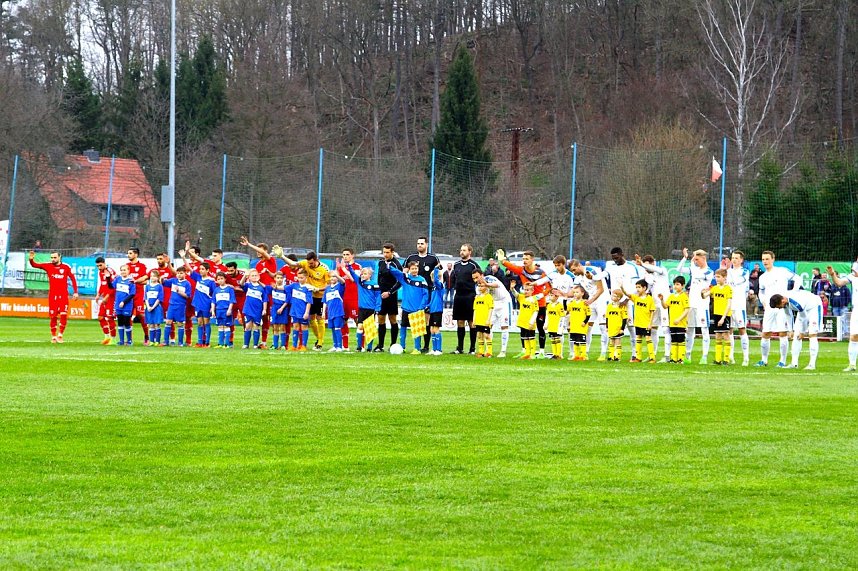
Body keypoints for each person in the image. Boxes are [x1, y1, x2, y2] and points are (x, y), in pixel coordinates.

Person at [500, 249, 550, 356]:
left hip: (539, 304)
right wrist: (503, 261)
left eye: (526, 259)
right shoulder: (522, 270)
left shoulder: (541, 273)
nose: (524, 261)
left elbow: (549, 287)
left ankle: (541, 352)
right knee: (523, 327)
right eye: (523, 259)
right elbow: (512, 266)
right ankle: (524, 351)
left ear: (532, 260)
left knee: (540, 327)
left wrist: (540, 296)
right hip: (526, 304)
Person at [279, 250, 330, 350]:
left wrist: (318, 289)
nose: (309, 265)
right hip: (310, 295)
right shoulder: (305, 263)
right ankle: (318, 338)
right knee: (311, 319)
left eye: (311, 263)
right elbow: (293, 263)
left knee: (320, 319)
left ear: (316, 260)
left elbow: (328, 285)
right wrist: (282, 256)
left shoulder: (324, 269)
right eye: (308, 263)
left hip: (320, 296)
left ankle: (320, 341)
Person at [756, 251, 799, 367]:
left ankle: (782, 361)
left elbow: (798, 279)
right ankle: (764, 360)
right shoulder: (763, 277)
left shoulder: (782, 271)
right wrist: (763, 301)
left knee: (782, 333)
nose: (765, 261)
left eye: (767, 259)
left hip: (782, 307)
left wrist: (792, 293)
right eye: (763, 259)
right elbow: (761, 291)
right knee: (765, 333)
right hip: (770, 308)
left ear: (773, 259)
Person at [28, 250, 79, 343]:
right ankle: (54, 336)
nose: (53, 259)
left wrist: (75, 292)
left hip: (63, 295)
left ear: (59, 257)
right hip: (52, 296)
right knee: (53, 316)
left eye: (55, 257)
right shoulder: (48, 266)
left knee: (63, 314)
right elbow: (35, 265)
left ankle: (60, 335)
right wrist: (31, 259)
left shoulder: (66, 267)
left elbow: (73, 279)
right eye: (51, 257)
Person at [676, 248, 714, 364]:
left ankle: (704, 356)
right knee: (690, 330)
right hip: (691, 304)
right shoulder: (694, 269)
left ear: (703, 258)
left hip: (702, 305)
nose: (696, 261)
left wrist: (692, 263)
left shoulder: (709, 271)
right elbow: (679, 269)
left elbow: (699, 276)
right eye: (695, 259)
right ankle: (687, 356)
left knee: (704, 330)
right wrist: (686, 258)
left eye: (698, 259)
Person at [604, 247, 643, 359]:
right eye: (613, 258)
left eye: (616, 257)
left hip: (628, 302)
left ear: (622, 254)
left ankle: (635, 354)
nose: (615, 260)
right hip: (615, 303)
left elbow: (637, 286)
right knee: (613, 331)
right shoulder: (611, 267)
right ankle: (613, 355)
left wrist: (627, 299)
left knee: (631, 328)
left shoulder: (631, 267)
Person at [769, 290, 823, 370]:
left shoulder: (796, 302)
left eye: (779, 306)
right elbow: (788, 314)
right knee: (796, 336)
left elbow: (804, 318)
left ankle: (812, 364)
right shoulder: (785, 301)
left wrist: (803, 332)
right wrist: (791, 330)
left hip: (814, 306)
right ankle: (794, 363)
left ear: (782, 301)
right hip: (802, 310)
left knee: (812, 334)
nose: (779, 308)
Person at [239, 236, 276, 348]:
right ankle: (252, 342)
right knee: (258, 318)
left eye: (259, 250)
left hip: (268, 292)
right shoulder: (258, 264)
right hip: (259, 291)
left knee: (267, 317)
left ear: (265, 251)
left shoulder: (271, 260)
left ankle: (264, 342)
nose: (257, 252)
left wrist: (249, 245)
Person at [405, 237, 441, 352]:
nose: (419, 245)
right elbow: (404, 272)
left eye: (422, 243)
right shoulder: (411, 258)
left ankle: (426, 346)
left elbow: (439, 270)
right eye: (418, 243)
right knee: (417, 320)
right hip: (414, 293)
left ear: (426, 245)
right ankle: (417, 346)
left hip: (428, 292)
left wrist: (435, 275)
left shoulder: (433, 258)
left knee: (426, 319)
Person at [635, 254, 671, 362]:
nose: (646, 268)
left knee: (665, 329)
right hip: (654, 305)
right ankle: (653, 355)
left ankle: (667, 356)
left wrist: (642, 264)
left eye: (647, 266)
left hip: (664, 303)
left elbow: (653, 269)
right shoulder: (648, 276)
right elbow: (645, 290)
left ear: (652, 263)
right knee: (653, 330)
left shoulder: (662, 270)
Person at [389, 261, 431, 354]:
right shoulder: (405, 278)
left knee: (417, 330)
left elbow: (425, 295)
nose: (414, 270)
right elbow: (396, 273)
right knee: (403, 327)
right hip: (406, 308)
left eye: (416, 268)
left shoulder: (422, 280)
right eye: (412, 269)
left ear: (418, 269)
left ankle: (417, 348)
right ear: (409, 269)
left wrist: (421, 307)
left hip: (417, 309)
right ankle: (402, 347)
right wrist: (389, 266)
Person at [568, 259, 606, 359]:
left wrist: (591, 300)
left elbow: (601, 289)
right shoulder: (578, 277)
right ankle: (585, 353)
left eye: (574, 269)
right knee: (587, 327)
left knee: (603, 327)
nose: (574, 272)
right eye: (572, 271)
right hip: (591, 301)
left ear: (579, 265)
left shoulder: (591, 270)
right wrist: (563, 294)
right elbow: (574, 292)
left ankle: (603, 353)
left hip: (601, 300)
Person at [448, 243, 481, 354]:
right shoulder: (456, 264)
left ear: (469, 252)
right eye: (461, 250)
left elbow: (480, 279)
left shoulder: (474, 265)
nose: (462, 252)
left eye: (464, 250)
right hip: (459, 296)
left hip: (470, 296)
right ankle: (460, 348)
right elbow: (453, 279)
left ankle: (472, 349)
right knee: (460, 322)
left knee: (472, 322)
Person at [473, 267, 513, 357]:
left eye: (477, 277)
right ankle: (488, 350)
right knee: (488, 325)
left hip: (504, 302)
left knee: (504, 326)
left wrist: (486, 284)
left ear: (482, 275)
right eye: (474, 278)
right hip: (493, 304)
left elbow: (496, 285)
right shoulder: (478, 287)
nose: (475, 280)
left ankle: (503, 351)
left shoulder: (489, 278)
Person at [343, 263, 382, 352]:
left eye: (365, 274)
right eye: (362, 273)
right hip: (361, 309)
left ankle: (369, 347)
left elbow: (378, 297)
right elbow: (352, 274)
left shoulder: (375, 285)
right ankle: (359, 347)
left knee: (369, 329)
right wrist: (349, 267)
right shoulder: (360, 282)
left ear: (370, 275)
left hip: (371, 310)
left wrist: (377, 308)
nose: (363, 275)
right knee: (360, 326)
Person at [827, 263, 858, 371]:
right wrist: (832, 274)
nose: (854, 271)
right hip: (856, 310)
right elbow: (839, 282)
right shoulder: (852, 277)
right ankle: (852, 365)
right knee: (854, 336)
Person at [373, 242, 403, 352]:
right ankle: (380, 345)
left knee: (392, 319)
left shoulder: (396, 264)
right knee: (380, 318)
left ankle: (393, 344)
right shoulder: (381, 263)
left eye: (387, 252)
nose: (385, 254)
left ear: (392, 253)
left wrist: (390, 292)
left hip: (391, 296)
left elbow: (400, 281)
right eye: (384, 252)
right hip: (381, 295)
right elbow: (379, 278)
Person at [622, 278, 657, 363]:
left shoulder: (650, 299)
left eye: (639, 287)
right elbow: (627, 294)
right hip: (638, 323)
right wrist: (622, 287)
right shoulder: (636, 297)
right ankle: (638, 357)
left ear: (644, 288)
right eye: (636, 287)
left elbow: (652, 311)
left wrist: (650, 323)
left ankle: (652, 357)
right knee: (638, 338)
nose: (637, 289)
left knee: (648, 339)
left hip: (646, 323)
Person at [703, 269, 732, 365]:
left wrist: (723, 317)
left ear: (724, 278)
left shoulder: (728, 289)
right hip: (716, 314)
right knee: (718, 336)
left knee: (726, 335)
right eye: (716, 277)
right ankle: (718, 359)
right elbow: (704, 296)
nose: (717, 279)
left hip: (725, 315)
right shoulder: (714, 288)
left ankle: (726, 359)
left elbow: (729, 304)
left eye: (719, 277)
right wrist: (703, 291)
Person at [726, 250, 751, 366]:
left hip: (739, 305)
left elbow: (737, 282)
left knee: (741, 329)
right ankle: (731, 356)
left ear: (741, 260)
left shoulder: (745, 272)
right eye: (733, 258)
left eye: (736, 258)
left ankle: (746, 357)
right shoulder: (728, 271)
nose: (734, 260)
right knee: (729, 330)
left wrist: (728, 275)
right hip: (729, 306)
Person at [659, 276, 690, 364]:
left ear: (683, 286)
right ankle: (674, 358)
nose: (675, 286)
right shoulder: (671, 296)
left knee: (680, 340)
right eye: (674, 284)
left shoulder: (684, 296)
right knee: (674, 340)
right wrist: (662, 300)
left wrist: (679, 319)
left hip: (680, 323)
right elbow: (665, 306)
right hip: (672, 323)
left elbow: (687, 309)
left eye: (678, 284)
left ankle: (681, 359)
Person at [186, 259, 216, 347]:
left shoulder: (211, 281)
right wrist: (184, 257)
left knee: (206, 322)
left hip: (206, 304)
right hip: (198, 304)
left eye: (203, 269)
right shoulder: (198, 278)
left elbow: (214, 294)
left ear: (207, 270)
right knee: (199, 322)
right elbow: (189, 269)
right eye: (200, 269)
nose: (201, 270)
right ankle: (200, 342)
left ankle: (207, 342)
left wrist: (212, 306)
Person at [337, 248, 362, 351]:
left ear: (352, 255)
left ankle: (361, 346)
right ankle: (345, 346)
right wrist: (337, 272)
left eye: (347, 254)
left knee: (358, 321)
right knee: (343, 320)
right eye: (344, 255)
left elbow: (353, 279)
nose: (345, 256)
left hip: (354, 297)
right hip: (344, 298)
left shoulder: (357, 267)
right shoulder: (341, 268)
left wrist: (343, 269)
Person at [161, 266, 192, 346]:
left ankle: (180, 342)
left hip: (180, 305)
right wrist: (161, 278)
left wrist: (179, 291)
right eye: (178, 273)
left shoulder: (187, 283)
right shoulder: (173, 280)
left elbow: (187, 296)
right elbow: (164, 282)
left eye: (181, 273)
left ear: (185, 273)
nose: (179, 275)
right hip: (171, 305)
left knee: (180, 323)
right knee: (168, 322)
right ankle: (165, 341)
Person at [125, 247, 150, 345]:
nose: (128, 255)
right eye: (128, 253)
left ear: (136, 254)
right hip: (128, 295)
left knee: (141, 315)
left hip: (138, 295)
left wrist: (136, 281)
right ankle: (129, 339)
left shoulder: (142, 266)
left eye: (130, 253)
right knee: (128, 316)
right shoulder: (126, 266)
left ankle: (147, 336)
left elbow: (145, 281)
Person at [239, 268, 269, 349]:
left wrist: (264, 309)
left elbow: (265, 300)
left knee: (256, 326)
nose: (254, 277)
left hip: (258, 310)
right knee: (248, 326)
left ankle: (255, 344)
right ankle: (246, 344)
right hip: (248, 309)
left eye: (256, 275)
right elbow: (241, 284)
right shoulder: (248, 285)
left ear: (259, 277)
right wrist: (245, 276)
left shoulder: (262, 288)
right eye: (252, 275)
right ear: (249, 277)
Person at [286, 269, 313, 351]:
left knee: (304, 327)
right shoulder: (294, 285)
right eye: (298, 277)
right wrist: (276, 286)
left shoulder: (308, 288)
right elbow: (284, 288)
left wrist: (307, 312)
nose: (300, 279)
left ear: (306, 278)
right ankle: (294, 345)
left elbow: (309, 302)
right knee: (295, 327)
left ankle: (303, 345)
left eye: (302, 277)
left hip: (303, 311)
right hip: (294, 310)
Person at [515, 281, 543, 360]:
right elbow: (516, 294)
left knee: (531, 337)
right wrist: (512, 288)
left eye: (528, 290)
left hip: (530, 323)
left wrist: (531, 321)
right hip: (522, 321)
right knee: (525, 338)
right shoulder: (522, 297)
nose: (526, 291)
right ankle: (527, 353)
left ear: (532, 291)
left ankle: (532, 353)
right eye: (525, 290)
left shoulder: (534, 299)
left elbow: (536, 311)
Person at [111, 265, 136, 346]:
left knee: (126, 322)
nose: (123, 272)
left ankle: (129, 340)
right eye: (121, 270)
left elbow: (132, 294)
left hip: (127, 305)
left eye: (124, 270)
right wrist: (108, 278)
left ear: (128, 271)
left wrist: (124, 302)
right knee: (120, 322)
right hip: (118, 305)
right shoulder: (118, 279)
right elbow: (110, 286)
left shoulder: (131, 281)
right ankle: (121, 341)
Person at [321, 272, 347, 352]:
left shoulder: (339, 286)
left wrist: (337, 275)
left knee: (337, 328)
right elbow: (325, 301)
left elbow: (343, 282)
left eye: (334, 276)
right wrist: (323, 312)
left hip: (338, 311)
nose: (332, 278)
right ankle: (335, 345)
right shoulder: (327, 288)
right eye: (331, 277)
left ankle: (339, 346)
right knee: (332, 329)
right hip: (330, 312)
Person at [565, 285, 591, 361]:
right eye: (574, 292)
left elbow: (588, 314)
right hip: (573, 325)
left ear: (582, 293)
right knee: (575, 341)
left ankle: (583, 355)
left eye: (577, 292)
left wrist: (584, 322)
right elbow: (567, 310)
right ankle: (576, 355)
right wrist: (565, 300)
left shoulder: (585, 303)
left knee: (582, 341)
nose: (575, 294)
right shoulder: (572, 303)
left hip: (581, 326)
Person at [95, 257, 117, 345]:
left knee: (109, 318)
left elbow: (113, 286)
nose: (99, 267)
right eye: (97, 266)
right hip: (105, 297)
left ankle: (113, 339)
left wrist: (107, 297)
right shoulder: (100, 272)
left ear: (104, 263)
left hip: (112, 298)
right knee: (100, 317)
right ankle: (107, 337)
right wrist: (98, 295)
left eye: (100, 265)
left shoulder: (110, 272)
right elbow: (103, 284)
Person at [212, 271, 236, 348]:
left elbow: (232, 300)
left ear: (225, 279)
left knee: (227, 326)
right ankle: (220, 343)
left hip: (226, 310)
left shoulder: (229, 289)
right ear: (216, 280)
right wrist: (213, 310)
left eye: (222, 278)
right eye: (218, 279)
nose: (220, 280)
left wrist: (229, 309)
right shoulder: (216, 290)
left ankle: (227, 344)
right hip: (218, 310)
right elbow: (213, 301)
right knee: (220, 326)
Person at [472, 281, 495, 357]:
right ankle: (481, 352)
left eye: (482, 286)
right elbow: (475, 309)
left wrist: (488, 319)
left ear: (486, 287)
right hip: (478, 320)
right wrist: (474, 319)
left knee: (486, 335)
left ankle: (489, 352)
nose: (480, 287)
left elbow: (491, 308)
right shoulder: (477, 297)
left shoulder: (489, 297)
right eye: (479, 286)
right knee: (479, 335)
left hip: (485, 320)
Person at [269, 272, 291, 350]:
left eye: (281, 278)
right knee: (275, 327)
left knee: (282, 327)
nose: (279, 279)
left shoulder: (286, 288)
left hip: (283, 309)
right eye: (278, 278)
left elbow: (288, 300)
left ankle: (283, 345)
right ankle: (275, 345)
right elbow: (264, 287)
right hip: (274, 308)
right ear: (275, 278)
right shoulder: (272, 287)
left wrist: (282, 308)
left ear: (283, 279)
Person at [605, 290, 628, 361]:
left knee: (618, 341)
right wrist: (607, 327)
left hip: (618, 327)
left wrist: (622, 329)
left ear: (619, 298)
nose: (613, 297)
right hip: (611, 327)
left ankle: (617, 356)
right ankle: (611, 356)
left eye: (615, 296)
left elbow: (624, 318)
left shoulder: (622, 306)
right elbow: (607, 317)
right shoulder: (609, 306)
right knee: (611, 341)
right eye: (612, 295)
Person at [428, 267, 446, 355]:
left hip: (438, 310)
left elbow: (435, 279)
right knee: (431, 329)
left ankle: (439, 349)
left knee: (436, 329)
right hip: (432, 310)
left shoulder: (440, 285)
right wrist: (428, 306)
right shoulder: (434, 287)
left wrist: (435, 269)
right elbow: (432, 299)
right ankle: (434, 349)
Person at [143, 270, 164, 346]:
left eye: (154, 276)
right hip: (149, 307)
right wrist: (148, 306)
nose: (152, 278)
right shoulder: (147, 286)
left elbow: (159, 298)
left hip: (156, 307)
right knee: (151, 324)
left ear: (158, 277)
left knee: (156, 324)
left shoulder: (159, 286)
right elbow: (145, 298)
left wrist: (153, 307)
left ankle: (157, 341)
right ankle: (151, 341)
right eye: (151, 276)